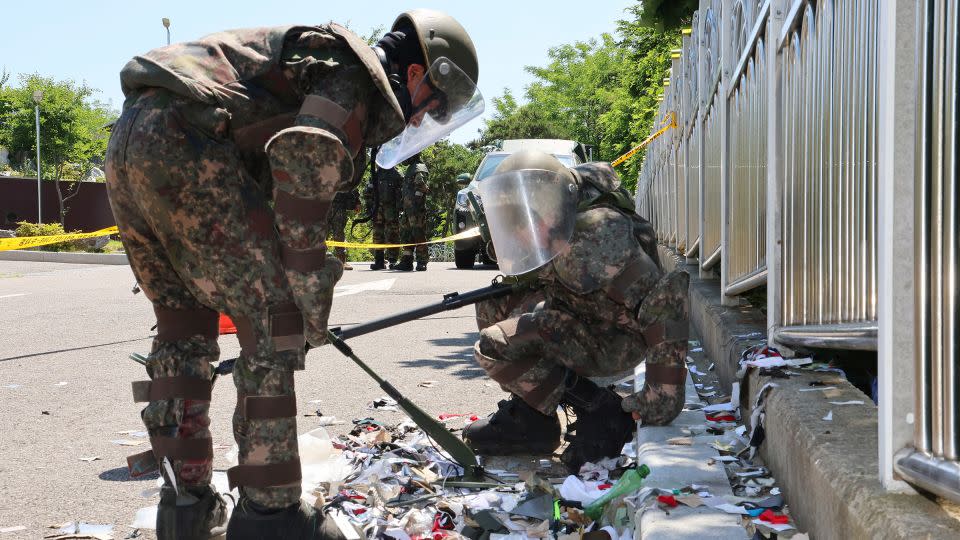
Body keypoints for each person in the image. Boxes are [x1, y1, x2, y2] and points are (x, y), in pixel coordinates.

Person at [105, 10, 480, 539]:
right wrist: (305, 299)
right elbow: (307, 159)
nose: (423, 123)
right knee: (274, 328)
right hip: (190, 143)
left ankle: (184, 509)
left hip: (131, 143)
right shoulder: (356, 72)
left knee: (182, 330)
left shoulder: (313, 62)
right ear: (416, 76)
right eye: (434, 108)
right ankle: (271, 515)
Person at [463, 150, 689, 473]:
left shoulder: (594, 238)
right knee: (492, 306)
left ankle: (599, 409)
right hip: (587, 314)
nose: (516, 235)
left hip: (618, 339)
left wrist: (661, 397)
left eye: (520, 224)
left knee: (493, 345)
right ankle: (534, 420)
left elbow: (665, 300)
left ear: (545, 213)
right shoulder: (556, 231)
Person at [396, 153, 430, 271]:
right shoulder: (412, 168)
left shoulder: (418, 167)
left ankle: (422, 261)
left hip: (416, 209)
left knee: (418, 233)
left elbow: (422, 187)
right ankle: (406, 261)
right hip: (408, 209)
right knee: (406, 235)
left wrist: (415, 205)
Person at [364, 165, 403, 269]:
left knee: (393, 233)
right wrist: (369, 207)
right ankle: (379, 260)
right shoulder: (375, 174)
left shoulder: (396, 173)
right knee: (377, 234)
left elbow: (402, 192)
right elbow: (368, 191)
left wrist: (400, 208)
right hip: (377, 208)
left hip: (391, 208)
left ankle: (393, 260)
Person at [327, 188, 361, 270]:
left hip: (339, 206)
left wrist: (357, 202)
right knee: (321, 234)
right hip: (323, 204)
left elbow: (351, 183)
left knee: (339, 235)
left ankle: (341, 261)